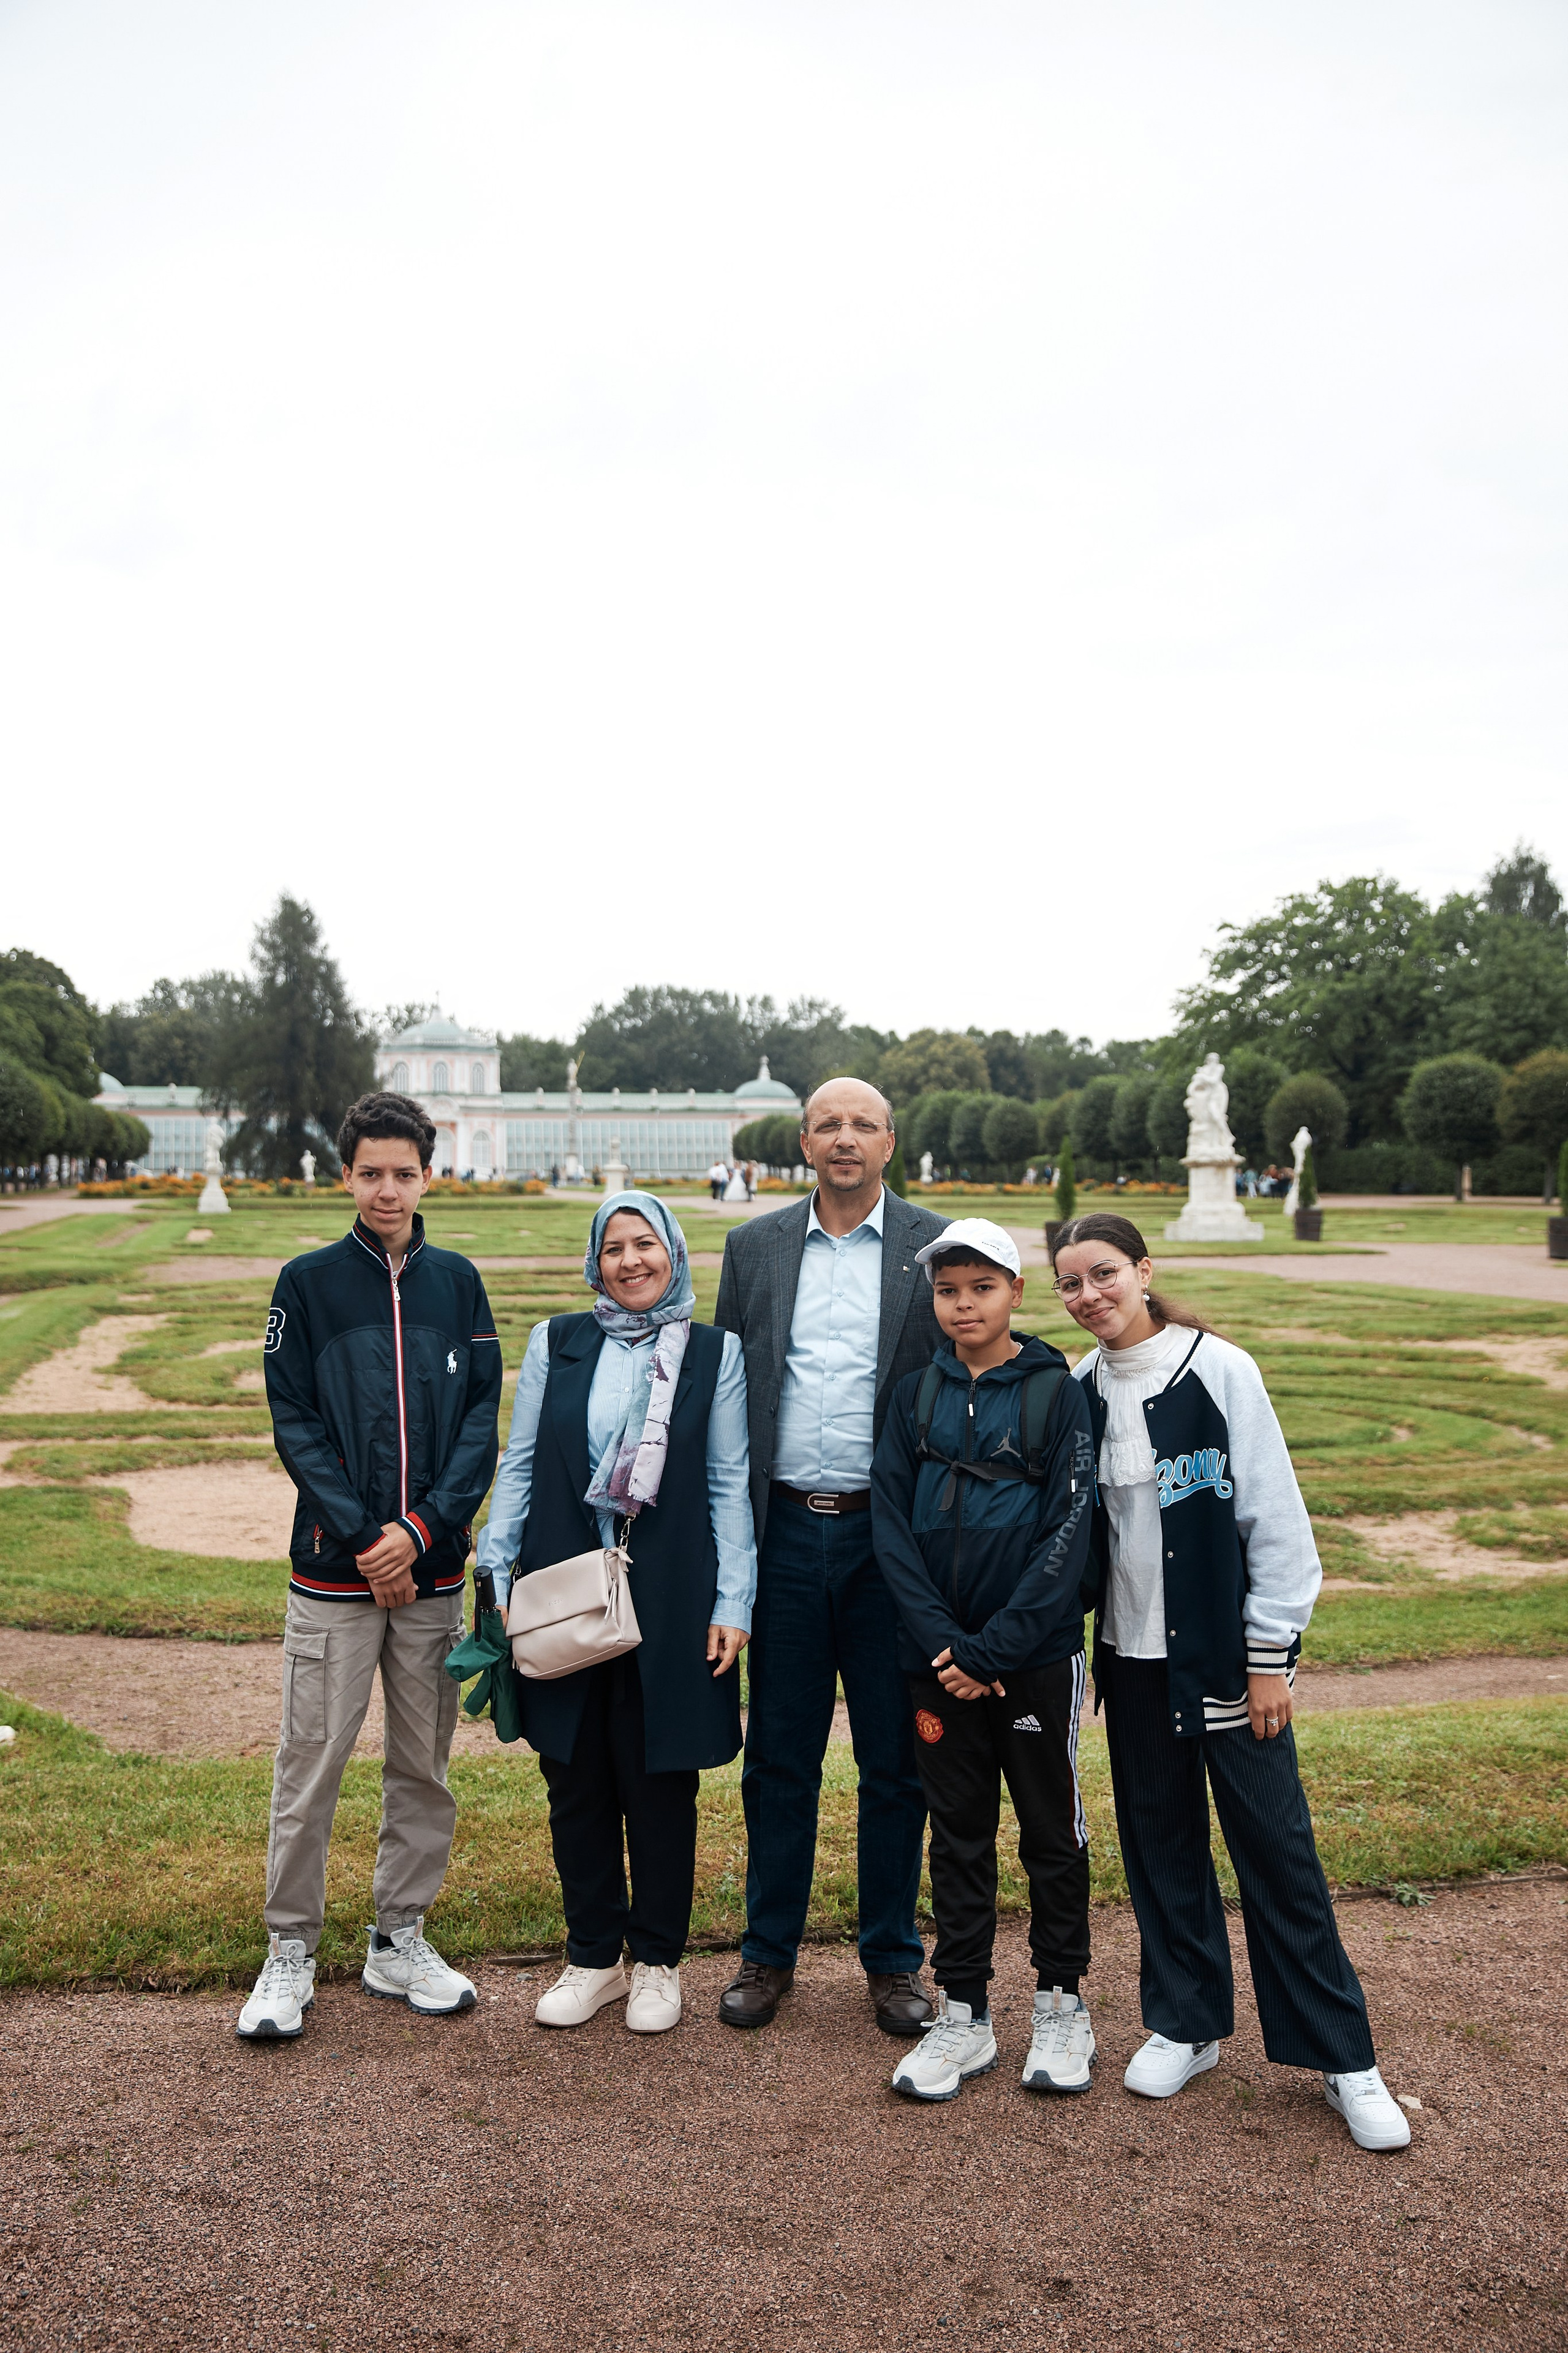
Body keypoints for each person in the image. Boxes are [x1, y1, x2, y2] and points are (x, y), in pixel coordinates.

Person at [1050, 1211, 1411, 2152]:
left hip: (1223, 1663)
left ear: (1142, 1269)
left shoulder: (1220, 1370)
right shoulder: (1081, 1389)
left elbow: (1278, 1527)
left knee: (1278, 1857)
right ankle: (1189, 2020)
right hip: (1132, 1666)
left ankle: (1345, 2056)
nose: (1089, 1295)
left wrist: (1268, 1659)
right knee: (1162, 1850)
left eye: (1104, 1273)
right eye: (1070, 1284)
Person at [238, 1091, 503, 2042]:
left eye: (404, 1172)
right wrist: (365, 1536)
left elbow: (481, 1423)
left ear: (429, 1173)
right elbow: (295, 1422)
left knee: (421, 1767)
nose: (387, 1189)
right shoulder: (306, 1283)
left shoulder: (459, 1284)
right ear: (344, 1174)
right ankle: (289, 1949)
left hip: (427, 1575)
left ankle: (399, 1935)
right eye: (370, 1172)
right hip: (335, 1573)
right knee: (310, 1764)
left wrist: (424, 1531)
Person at [478, 1193, 755, 2034]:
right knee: (574, 1776)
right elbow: (521, 1461)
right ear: (594, 1261)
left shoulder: (715, 1352)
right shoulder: (558, 1341)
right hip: (564, 1576)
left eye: (646, 1244)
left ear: (673, 1250)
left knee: (660, 1778)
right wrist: (496, 1563)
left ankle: (658, 1963)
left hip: (670, 1584)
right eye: (614, 1248)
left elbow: (726, 1481)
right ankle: (594, 1955)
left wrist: (732, 1599)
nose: (631, 1260)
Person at [712, 1077, 949, 2036]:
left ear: (890, 1141)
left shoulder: (937, 1247)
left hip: (889, 1539)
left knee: (896, 1759)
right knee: (780, 1754)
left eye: (863, 1124)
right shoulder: (755, 1247)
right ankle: (768, 1954)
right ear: (802, 1141)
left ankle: (894, 1961)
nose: (845, 1138)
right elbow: (730, 1397)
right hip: (785, 1529)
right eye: (828, 1125)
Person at [870, 1220, 1098, 2102]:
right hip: (936, 1661)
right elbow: (889, 1523)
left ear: (1015, 1292)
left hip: (1032, 1658)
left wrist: (994, 1647)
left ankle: (1061, 2000)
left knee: (1051, 1830)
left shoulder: (1055, 1390)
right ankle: (964, 2011)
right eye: (947, 1290)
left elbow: (1068, 1531)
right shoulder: (913, 1395)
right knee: (957, 1833)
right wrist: (944, 1646)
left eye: (981, 1287)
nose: (962, 1305)